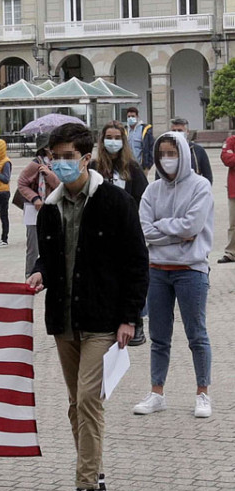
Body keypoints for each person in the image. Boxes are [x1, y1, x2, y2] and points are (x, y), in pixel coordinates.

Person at [26, 123, 148, 491]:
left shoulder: (114, 202)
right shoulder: (49, 209)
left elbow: (136, 261)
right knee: (76, 405)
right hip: (64, 319)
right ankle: (94, 480)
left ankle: (83, 489)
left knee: (88, 401)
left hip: (103, 320)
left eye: (66, 156)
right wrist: (40, 273)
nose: (59, 163)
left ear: (84, 157)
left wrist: (130, 317)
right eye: (53, 156)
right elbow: (47, 257)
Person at [133, 132, 214, 419]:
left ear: (183, 154)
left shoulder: (200, 186)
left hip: (191, 271)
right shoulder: (152, 190)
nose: (167, 159)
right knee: (159, 336)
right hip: (157, 271)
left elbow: (192, 227)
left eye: (172, 153)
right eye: (162, 154)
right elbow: (144, 229)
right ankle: (157, 392)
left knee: (197, 335)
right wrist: (174, 235)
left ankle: (202, 392)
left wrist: (162, 231)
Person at [91, 120, 150, 346]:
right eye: (109, 137)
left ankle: (137, 321)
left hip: (127, 232)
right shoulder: (95, 168)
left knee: (133, 277)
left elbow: (143, 200)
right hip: (100, 234)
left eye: (117, 137)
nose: (112, 142)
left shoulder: (132, 169)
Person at [16, 133, 59, 278]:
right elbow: (21, 183)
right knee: (33, 246)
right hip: (34, 211)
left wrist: (49, 174)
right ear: (46, 148)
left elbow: (61, 186)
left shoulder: (59, 163)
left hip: (54, 208)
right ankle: (30, 274)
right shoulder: (35, 164)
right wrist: (35, 199)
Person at [167, 118, 212, 185]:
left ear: (187, 132)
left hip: (194, 189)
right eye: (174, 130)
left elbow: (207, 175)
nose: (176, 133)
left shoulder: (198, 150)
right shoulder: (165, 150)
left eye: (179, 130)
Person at [219, 133, 235, 264]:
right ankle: (231, 253)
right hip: (234, 189)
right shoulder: (231, 140)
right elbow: (226, 159)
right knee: (233, 224)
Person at [125, 107, 154, 174]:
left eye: (133, 116)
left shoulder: (145, 130)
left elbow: (151, 148)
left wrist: (148, 166)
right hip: (127, 166)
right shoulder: (125, 130)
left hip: (141, 166)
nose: (130, 118)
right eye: (129, 116)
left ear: (137, 116)